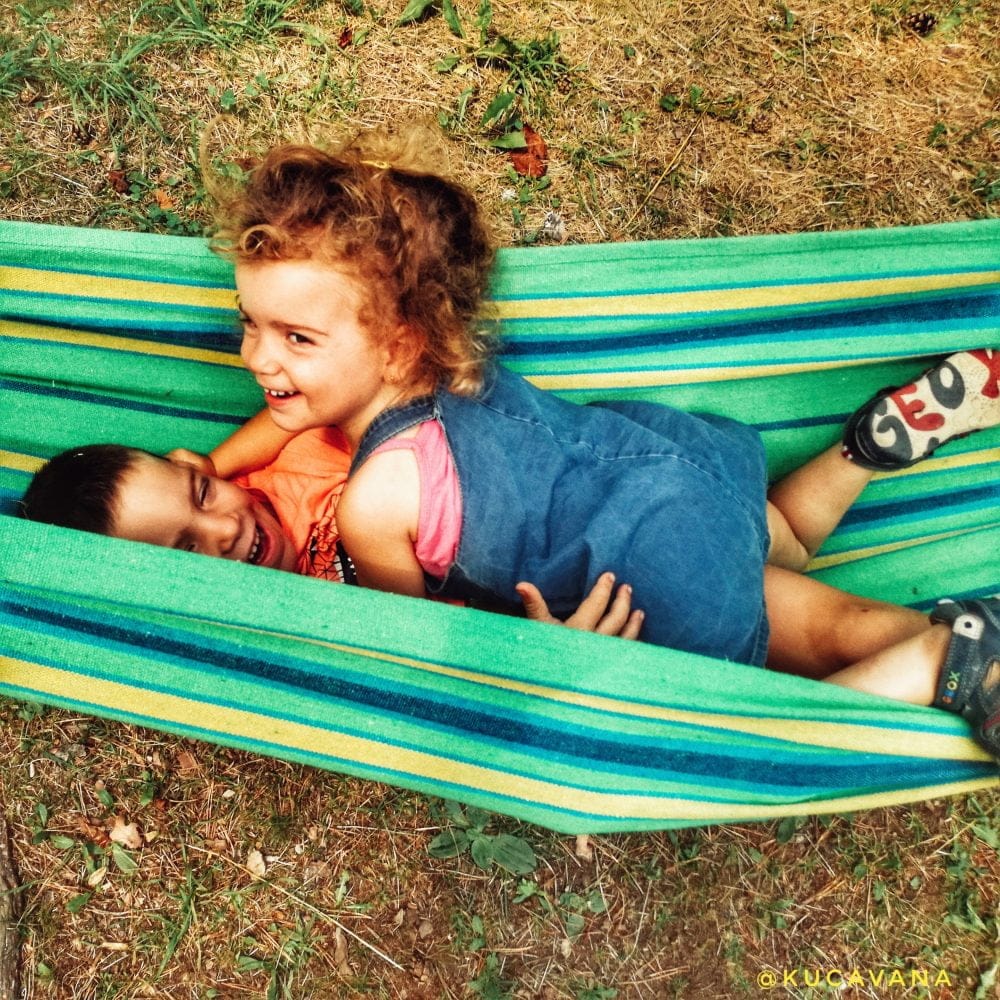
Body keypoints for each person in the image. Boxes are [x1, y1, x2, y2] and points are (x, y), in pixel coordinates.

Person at [155, 127, 996, 757]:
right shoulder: (445, 359)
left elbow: (410, 646)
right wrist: (216, 465)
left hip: (639, 582)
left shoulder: (378, 497)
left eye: (295, 339)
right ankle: (876, 461)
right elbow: (293, 407)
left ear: (396, 343)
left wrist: (551, 652)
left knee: (745, 728)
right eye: (249, 323)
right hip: (671, 473)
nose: (258, 357)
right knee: (792, 556)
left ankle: (933, 667)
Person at [20, 434, 646, 639]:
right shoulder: (288, 629)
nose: (226, 529)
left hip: (564, 503)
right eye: (186, 549)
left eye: (203, 496)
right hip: (550, 615)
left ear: (194, 465)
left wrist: (223, 459)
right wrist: (543, 653)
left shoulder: (303, 451)